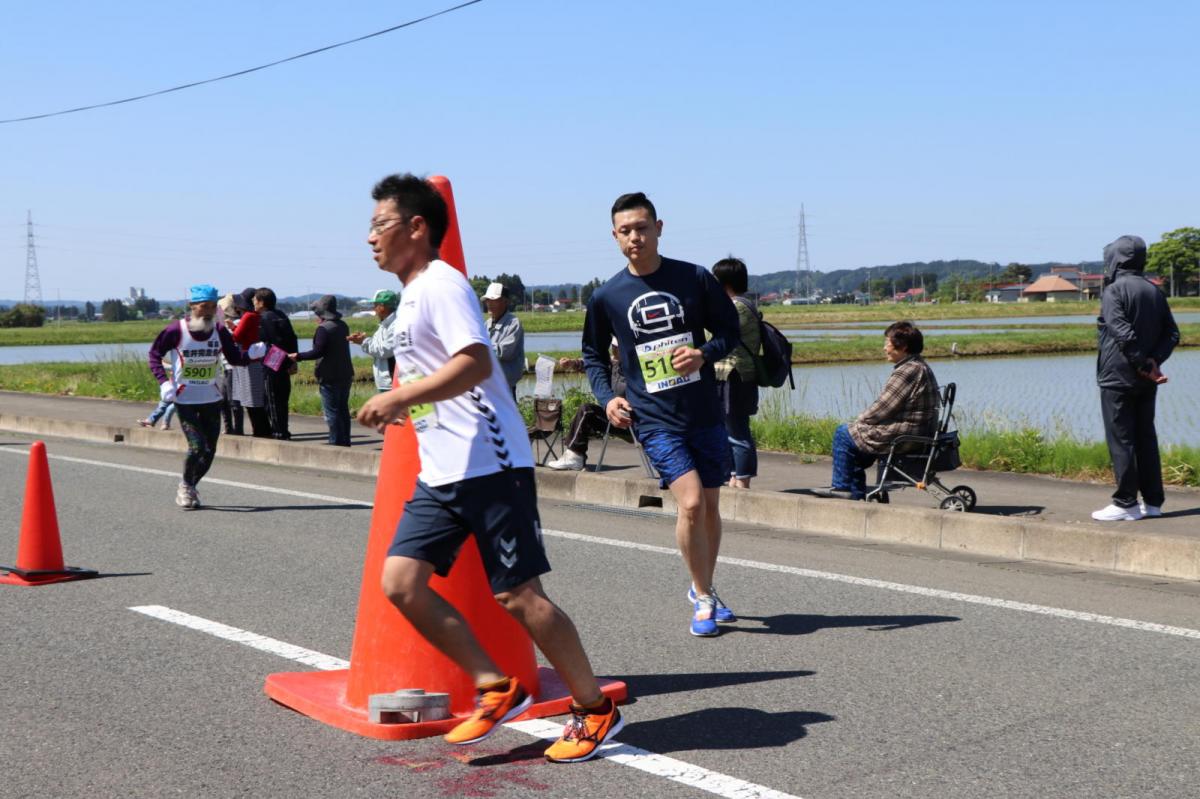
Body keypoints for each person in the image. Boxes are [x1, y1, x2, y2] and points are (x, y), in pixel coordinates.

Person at [355, 173, 623, 763]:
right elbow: (442, 380)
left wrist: (400, 397)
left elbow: (476, 364)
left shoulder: (442, 285)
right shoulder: (409, 297)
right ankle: (493, 684)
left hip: (490, 463)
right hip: (441, 469)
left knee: (519, 596)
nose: (369, 237)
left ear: (417, 228)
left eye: (380, 224)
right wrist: (417, 410)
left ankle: (594, 709)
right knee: (400, 583)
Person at [581, 192, 741, 637]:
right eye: (625, 230)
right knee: (689, 502)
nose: (635, 236)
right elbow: (593, 354)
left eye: (642, 227)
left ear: (659, 228)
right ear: (615, 237)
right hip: (653, 417)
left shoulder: (694, 278)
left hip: (704, 411)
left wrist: (703, 354)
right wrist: (606, 398)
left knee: (709, 506)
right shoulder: (608, 295)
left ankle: (703, 585)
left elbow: (731, 330)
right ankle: (703, 596)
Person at [147, 284, 266, 509]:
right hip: (185, 400)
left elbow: (234, 357)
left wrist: (251, 355)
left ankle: (189, 485)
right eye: (204, 306)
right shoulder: (176, 330)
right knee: (197, 446)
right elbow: (154, 355)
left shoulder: (219, 331)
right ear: (192, 306)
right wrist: (163, 383)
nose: (209, 311)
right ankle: (185, 486)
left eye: (213, 306)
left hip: (211, 397)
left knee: (210, 449)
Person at [1092, 235, 1180, 521]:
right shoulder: (1155, 291)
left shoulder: (1114, 291)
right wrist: (1155, 361)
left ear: (1115, 259)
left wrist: (1144, 363)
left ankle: (1126, 503)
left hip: (1117, 377)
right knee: (1145, 437)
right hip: (1147, 380)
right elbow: (1172, 334)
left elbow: (1121, 332)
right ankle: (1153, 503)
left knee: (1122, 439)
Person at [828, 321, 940, 500]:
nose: (884, 348)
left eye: (887, 344)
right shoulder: (919, 365)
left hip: (906, 434)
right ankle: (854, 495)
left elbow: (883, 408)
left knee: (843, 433)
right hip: (918, 430)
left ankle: (842, 488)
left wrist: (860, 421)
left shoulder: (907, 371)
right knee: (854, 443)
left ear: (902, 347)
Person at [711, 257, 760, 489]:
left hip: (735, 374)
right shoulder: (739, 304)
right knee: (728, 428)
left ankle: (742, 479)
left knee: (737, 429)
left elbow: (718, 333)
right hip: (729, 374)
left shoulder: (738, 307)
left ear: (724, 281)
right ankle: (733, 475)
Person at [546, 339, 630, 470]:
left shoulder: (635, 367)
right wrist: (572, 363)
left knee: (587, 411)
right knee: (586, 411)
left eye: (617, 347)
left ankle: (574, 456)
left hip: (630, 422)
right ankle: (574, 455)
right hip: (611, 416)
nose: (614, 350)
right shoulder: (611, 364)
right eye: (613, 346)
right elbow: (591, 365)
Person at [290, 295, 353, 446]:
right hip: (345, 373)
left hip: (329, 374)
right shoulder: (343, 325)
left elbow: (317, 352)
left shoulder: (323, 329)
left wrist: (298, 356)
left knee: (332, 412)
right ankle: (345, 441)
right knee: (343, 410)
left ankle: (335, 442)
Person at [228, 288, 272, 438]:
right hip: (258, 359)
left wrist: (231, 328)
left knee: (251, 400)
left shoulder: (248, 316)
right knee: (258, 398)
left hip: (247, 359)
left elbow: (237, 337)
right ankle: (264, 430)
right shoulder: (260, 316)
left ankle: (260, 432)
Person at [255, 287, 298, 440]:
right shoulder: (281, 315)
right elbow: (293, 338)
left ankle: (278, 432)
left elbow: (272, 341)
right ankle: (283, 430)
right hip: (285, 362)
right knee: (282, 399)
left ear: (261, 302)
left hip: (272, 363)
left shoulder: (265, 317)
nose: (254, 303)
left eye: (255, 300)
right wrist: (293, 360)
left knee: (272, 399)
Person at [348, 289, 398, 392]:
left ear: (383, 306)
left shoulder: (396, 324)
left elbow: (384, 350)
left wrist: (363, 342)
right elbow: (379, 345)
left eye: (375, 305)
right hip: (387, 382)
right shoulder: (385, 324)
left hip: (391, 382)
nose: (373, 308)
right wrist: (363, 339)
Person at [483, 282, 525, 398]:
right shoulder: (486, 324)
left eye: (493, 300)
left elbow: (504, 352)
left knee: (507, 415)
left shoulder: (514, 323)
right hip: (488, 383)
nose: (489, 304)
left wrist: (480, 349)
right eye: (487, 300)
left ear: (505, 302)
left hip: (505, 385)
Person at [217, 293, 243, 435]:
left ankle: (238, 429)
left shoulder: (236, 323)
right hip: (224, 367)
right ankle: (228, 427)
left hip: (233, 367)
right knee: (223, 399)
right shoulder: (224, 325)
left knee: (234, 400)